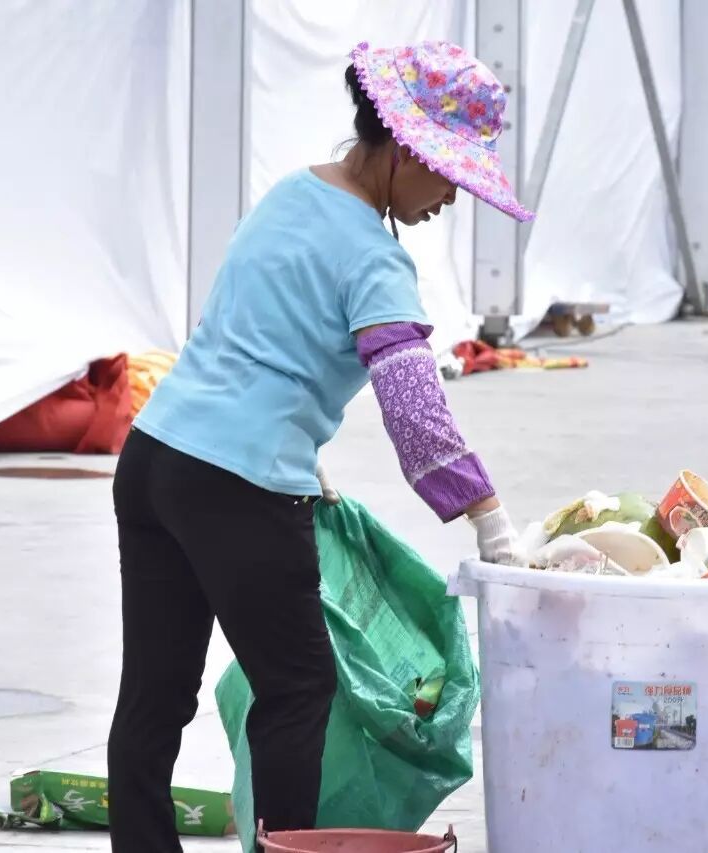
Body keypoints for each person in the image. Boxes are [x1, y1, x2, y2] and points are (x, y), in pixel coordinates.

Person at [106, 41, 531, 852]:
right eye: (450, 174)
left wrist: (301, 440)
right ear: (405, 149)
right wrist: (490, 519)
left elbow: (252, 336)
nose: (451, 196)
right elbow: (417, 417)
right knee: (298, 688)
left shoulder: (291, 194)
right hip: (240, 485)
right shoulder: (376, 260)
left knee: (153, 698)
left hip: (156, 455)